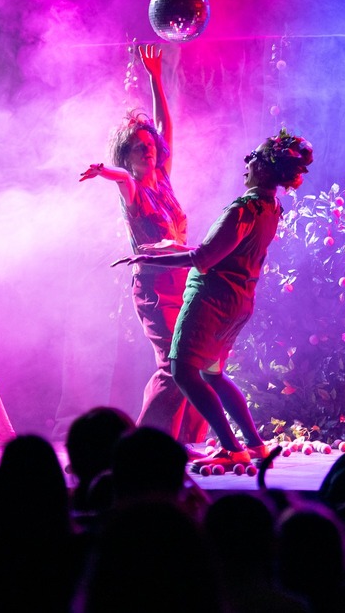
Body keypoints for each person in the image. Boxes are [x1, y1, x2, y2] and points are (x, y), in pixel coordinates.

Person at [113, 128, 314, 467]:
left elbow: (203, 258)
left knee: (181, 370)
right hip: (237, 300)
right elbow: (223, 251)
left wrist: (150, 258)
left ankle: (231, 448)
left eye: (252, 159)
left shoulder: (243, 209)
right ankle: (254, 445)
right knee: (212, 374)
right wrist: (173, 247)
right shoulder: (270, 207)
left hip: (211, 301)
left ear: (263, 168)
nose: (246, 164)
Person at [80, 44, 208, 447]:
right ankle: (144, 445)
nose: (149, 148)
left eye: (150, 144)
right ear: (127, 154)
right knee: (173, 364)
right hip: (154, 288)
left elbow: (164, 126)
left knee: (191, 361)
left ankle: (182, 440)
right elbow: (121, 178)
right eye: (140, 146)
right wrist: (105, 171)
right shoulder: (132, 188)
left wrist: (156, 78)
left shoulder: (163, 178)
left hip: (184, 283)